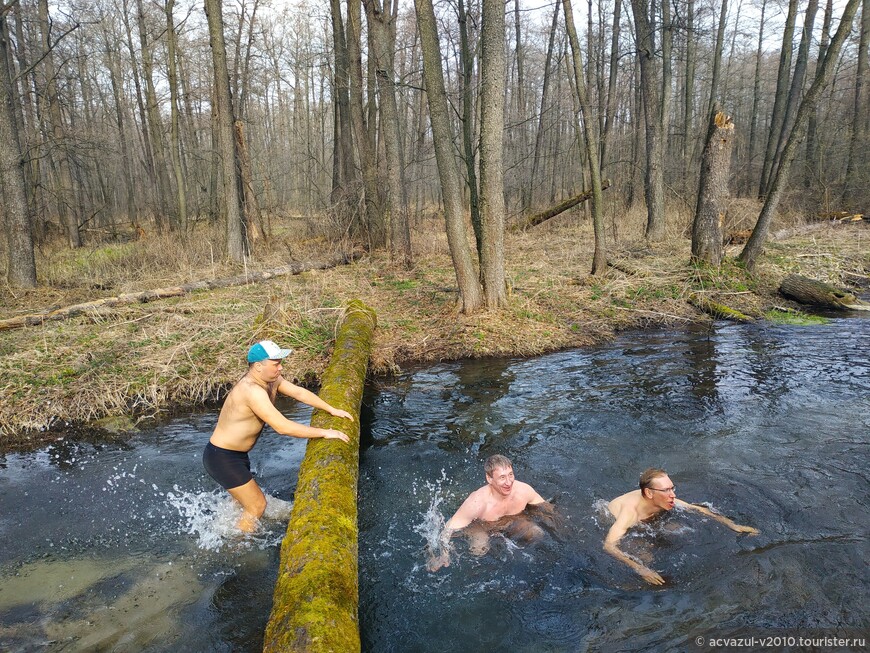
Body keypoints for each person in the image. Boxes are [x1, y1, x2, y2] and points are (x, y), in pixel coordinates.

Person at [203, 340, 353, 532]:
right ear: (258, 366)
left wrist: (331, 409)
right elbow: (282, 427)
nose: (280, 368)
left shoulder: (270, 381)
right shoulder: (251, 391)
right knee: (257, 506)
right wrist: (325, 432)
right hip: (222, 458)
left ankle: (230, 532)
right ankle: (237, 549)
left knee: (240, 503)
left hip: (236, 455)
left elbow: (299, 392)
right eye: (276, 364)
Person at [604, 468, 760, 585]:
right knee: (647, 557)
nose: (673, 495)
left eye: (672, 488)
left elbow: (697, 509)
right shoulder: (629, 514)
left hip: (650, 515)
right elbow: (609, 546)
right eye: (666, 490)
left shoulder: (663, 499)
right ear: (649, 493)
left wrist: (733, 525)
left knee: (679, 530)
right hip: (629, 524)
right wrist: (640, 569)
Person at [427, 454, 554, 571]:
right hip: (481, 526)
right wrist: (443, 555)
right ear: (489, 478)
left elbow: (548, 510)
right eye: (502, 477)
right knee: (479, 549)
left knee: (537, 533)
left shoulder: (523, 490)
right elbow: (447, 530)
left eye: (511, 475)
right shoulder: (476, 503)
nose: (509, 482)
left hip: (513, 521)